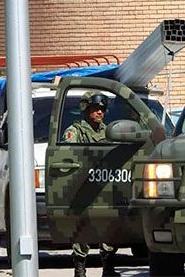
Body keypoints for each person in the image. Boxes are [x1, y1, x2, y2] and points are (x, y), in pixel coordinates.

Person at [63, 91, 119, 277]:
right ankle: (80, 269)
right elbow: (68, 155)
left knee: (108, 229)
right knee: (83, 230)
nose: (100, 113)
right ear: (86, 110)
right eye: (95, 109)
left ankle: (108, 268)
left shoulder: (109, 131)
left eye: (102, 109)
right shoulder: (75, 131)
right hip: (83, 186)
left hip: (105, 186)